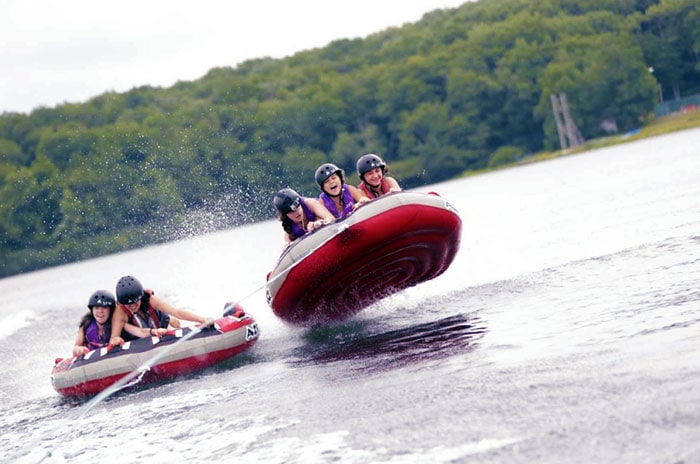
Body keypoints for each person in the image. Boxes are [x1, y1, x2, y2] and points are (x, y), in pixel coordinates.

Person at [109, 275, 209, 346]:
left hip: (160, 327)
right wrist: (116, 340)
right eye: (128, 304)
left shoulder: (151, 300)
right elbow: (114, 338)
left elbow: (177, 312)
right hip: (140, 337)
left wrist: (202, 320)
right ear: (122, 303)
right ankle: (170, 320)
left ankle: (170, 320)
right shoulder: (120, 312)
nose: (132, 306)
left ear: (141, 297)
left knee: (175, 322)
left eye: (135, 302)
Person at [72, 289, 167, 357]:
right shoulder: (86, 324)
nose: (100, 311)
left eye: (104, 308)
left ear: (111, 310)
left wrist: (154, 331)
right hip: (92, 357)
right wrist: (79, 350)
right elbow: (76, 347)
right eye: (96, 308)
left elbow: (140, 332)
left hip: (116, 355)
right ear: (92, 310)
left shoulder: (117, 323)